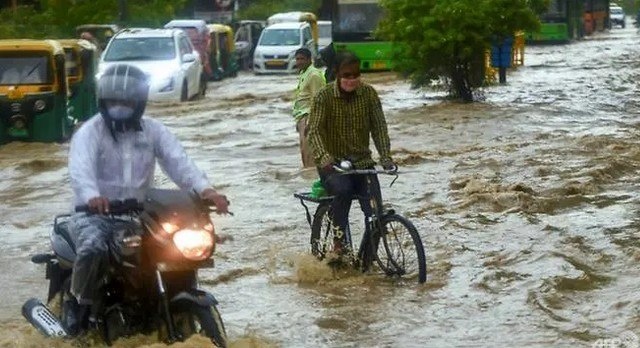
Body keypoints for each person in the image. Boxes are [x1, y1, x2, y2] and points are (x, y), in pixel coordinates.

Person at [64, 63, 229, 335]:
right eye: (114, 100)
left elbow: (180, 164)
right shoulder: (89, 132)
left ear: (139, 101)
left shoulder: (154, 131)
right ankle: (78, 305)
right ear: (103, 100)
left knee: (171, 250)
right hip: (93, 216)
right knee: (93, 248)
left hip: (138, 215)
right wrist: (92, 197)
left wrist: (207, 191)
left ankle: (158, 305)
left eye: (126, 99)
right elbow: (80, 170)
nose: (120, 105)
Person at [307, 51, 396, 252]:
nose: (352, 79)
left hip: (363, 163)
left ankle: (373, 250)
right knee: (344, 191)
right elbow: (313, 131)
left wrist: (385, 157)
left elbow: (379, 128)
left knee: (375, 208)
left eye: (356, 75)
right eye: (347, 75)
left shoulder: (369, 94)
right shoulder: (324, 96)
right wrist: (324, 157)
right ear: (336, 73)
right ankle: (339, 242)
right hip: (333, 164)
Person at [292, 47, 326, 168]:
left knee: (310, 154)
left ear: (309, 60)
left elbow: (317, 100)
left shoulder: (314, 75)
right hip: (302, 117)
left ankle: (312, 178)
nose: (299, 62)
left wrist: (311, 122)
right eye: (297, 59)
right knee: (304, 152)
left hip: (309, 118)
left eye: (302, 59)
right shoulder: (304, 73)